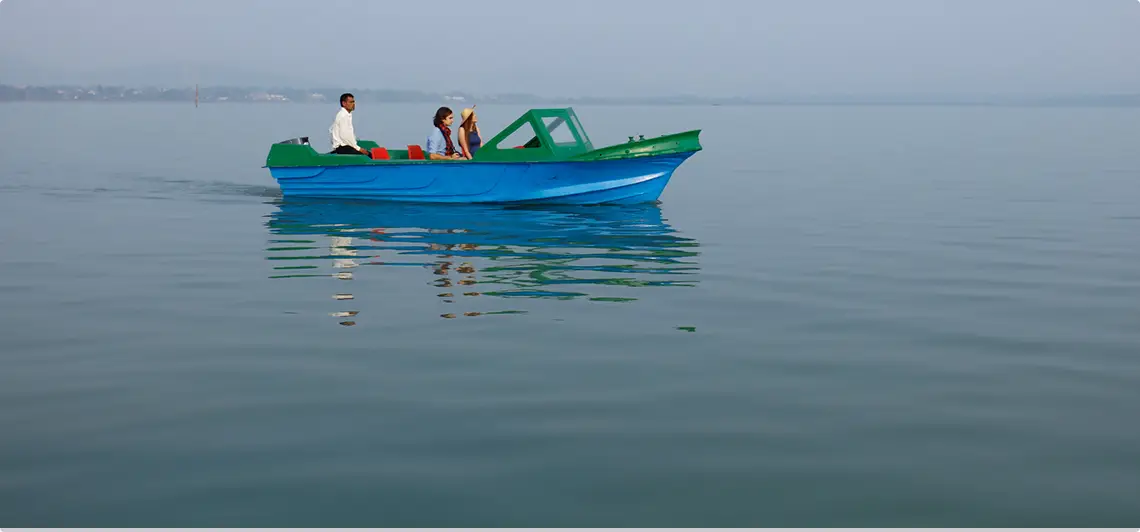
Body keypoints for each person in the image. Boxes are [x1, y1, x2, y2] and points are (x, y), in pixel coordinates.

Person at [329, 93, 370, 157]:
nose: (353, 104)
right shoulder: (343, 116)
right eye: (351, 102)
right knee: (368, 155)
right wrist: (358, 148)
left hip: (345, 146)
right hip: (343, 148)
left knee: (368, 153)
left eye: (353, 102)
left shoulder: (346, 114)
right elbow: (345, 136)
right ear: (344, 103)